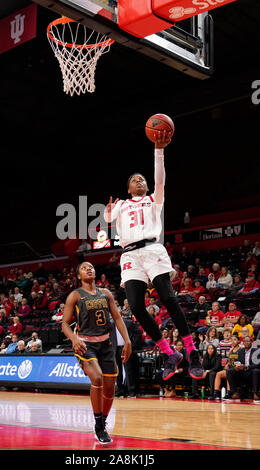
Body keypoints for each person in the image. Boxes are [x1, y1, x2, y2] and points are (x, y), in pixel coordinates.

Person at [103, 131, 203, 381]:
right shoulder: (123, 205)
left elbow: (160, 180)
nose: (139, 181)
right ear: (128, 188)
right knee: (136, 307)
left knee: (168, 298)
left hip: (152, 249)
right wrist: (107, 213)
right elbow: (107, 219)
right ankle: (170, 353)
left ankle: (192, 352)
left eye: (141, 179)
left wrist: (159, 151)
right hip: (130, 256)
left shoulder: (154, 199)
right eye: (134, 180)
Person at [62, 262, 131, 445]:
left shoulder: (106, 293)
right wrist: (74, 339)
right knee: (97, 378)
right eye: (84, 268)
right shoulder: (75, 296)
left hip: (107, 344)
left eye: (91, 267)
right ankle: (99, 426)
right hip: (85, 344)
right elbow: (64, 324)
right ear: (78, 276)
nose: (89, 269)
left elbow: (117, 317)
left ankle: (102, 421)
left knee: (110, 390)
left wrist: (127, 341)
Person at [208, 334, 241, 400]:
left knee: (229, 373)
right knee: (218, 374)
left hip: (237, 370)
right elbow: (230, 360)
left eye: (235, 340)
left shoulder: (240, 349)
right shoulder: (231, 350)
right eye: (231, 340)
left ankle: (229, 393)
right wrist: (227, 364)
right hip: (230, 368)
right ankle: (216, 394)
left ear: (238, 341)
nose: (233, 341)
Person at [225, 336, 255, 401]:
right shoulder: (241, 351)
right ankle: (234, 392)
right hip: (242, 371)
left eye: (248, 341)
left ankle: (255, 393)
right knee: (229, 371)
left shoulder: (255, 351)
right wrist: (237, 367)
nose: (246, 343)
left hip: (251, 371)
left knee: (256, 371)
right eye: (244, 341)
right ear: (243, 343)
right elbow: (239, 361)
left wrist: (247, 367)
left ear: (251, 342)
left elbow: (257, 364)